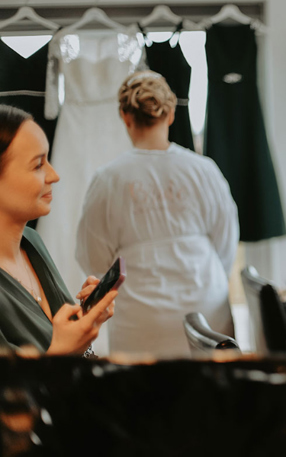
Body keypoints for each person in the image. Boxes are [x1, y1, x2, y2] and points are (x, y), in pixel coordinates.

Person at [76, 71, 239, 358]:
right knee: (212, 396)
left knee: (143, 398)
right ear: (171, 114)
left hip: (139, 317)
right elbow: (226, 241)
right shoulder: (204, 170)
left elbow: (93, 257)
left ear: (125, 117)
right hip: (206, 306)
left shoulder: (107, 179)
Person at [0, 105, 116, 355]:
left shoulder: (31, 242)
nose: (54, 175)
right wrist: (63, 354)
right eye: (38, 165)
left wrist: (85, 320)